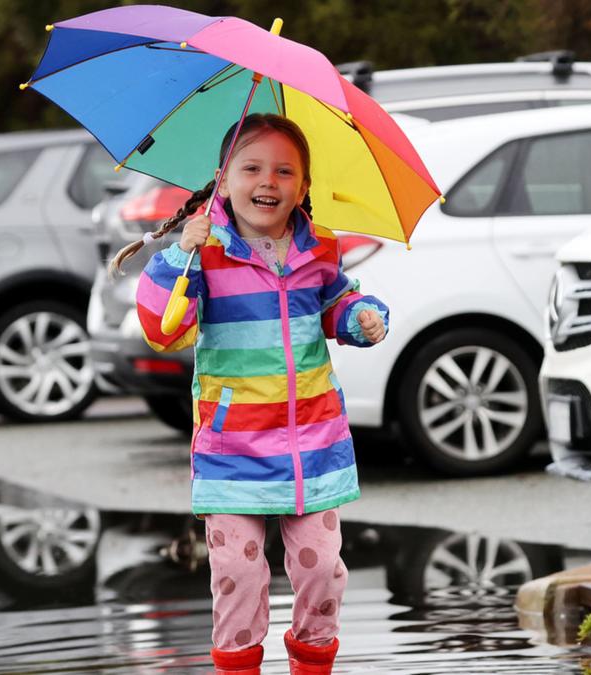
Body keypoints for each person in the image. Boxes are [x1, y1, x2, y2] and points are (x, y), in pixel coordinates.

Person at [113, 113, 389, 675]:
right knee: (238, 576)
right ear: (223, 178)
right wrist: (176, 259)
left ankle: (312, 665)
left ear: (304, 187)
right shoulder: (205, 251)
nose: (269, 181)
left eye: (285, 171)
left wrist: (361, 316)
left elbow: (339, 303)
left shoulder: (319, 251)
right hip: (232, 449)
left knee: (323, 573)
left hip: (312, 443)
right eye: (252, 168)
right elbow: (163, 331)